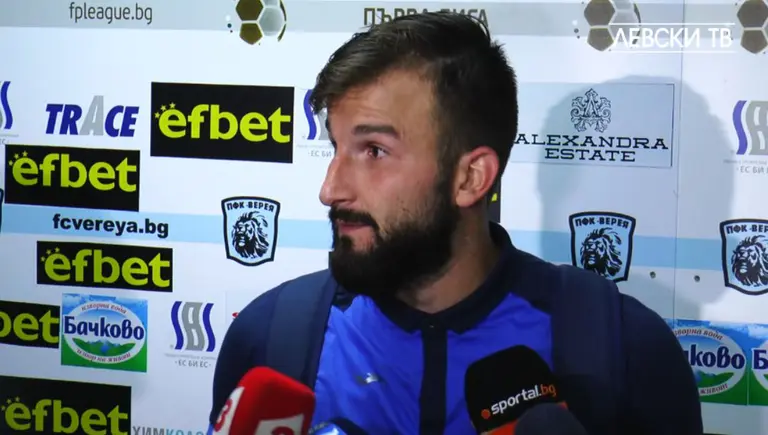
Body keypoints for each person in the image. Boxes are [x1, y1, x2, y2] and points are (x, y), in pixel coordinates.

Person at [210, 11, 702, 435]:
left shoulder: (626, 351)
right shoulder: (269, 338)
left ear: (471, 178)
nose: (330, 189)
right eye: (336, 147)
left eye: (374, 151)